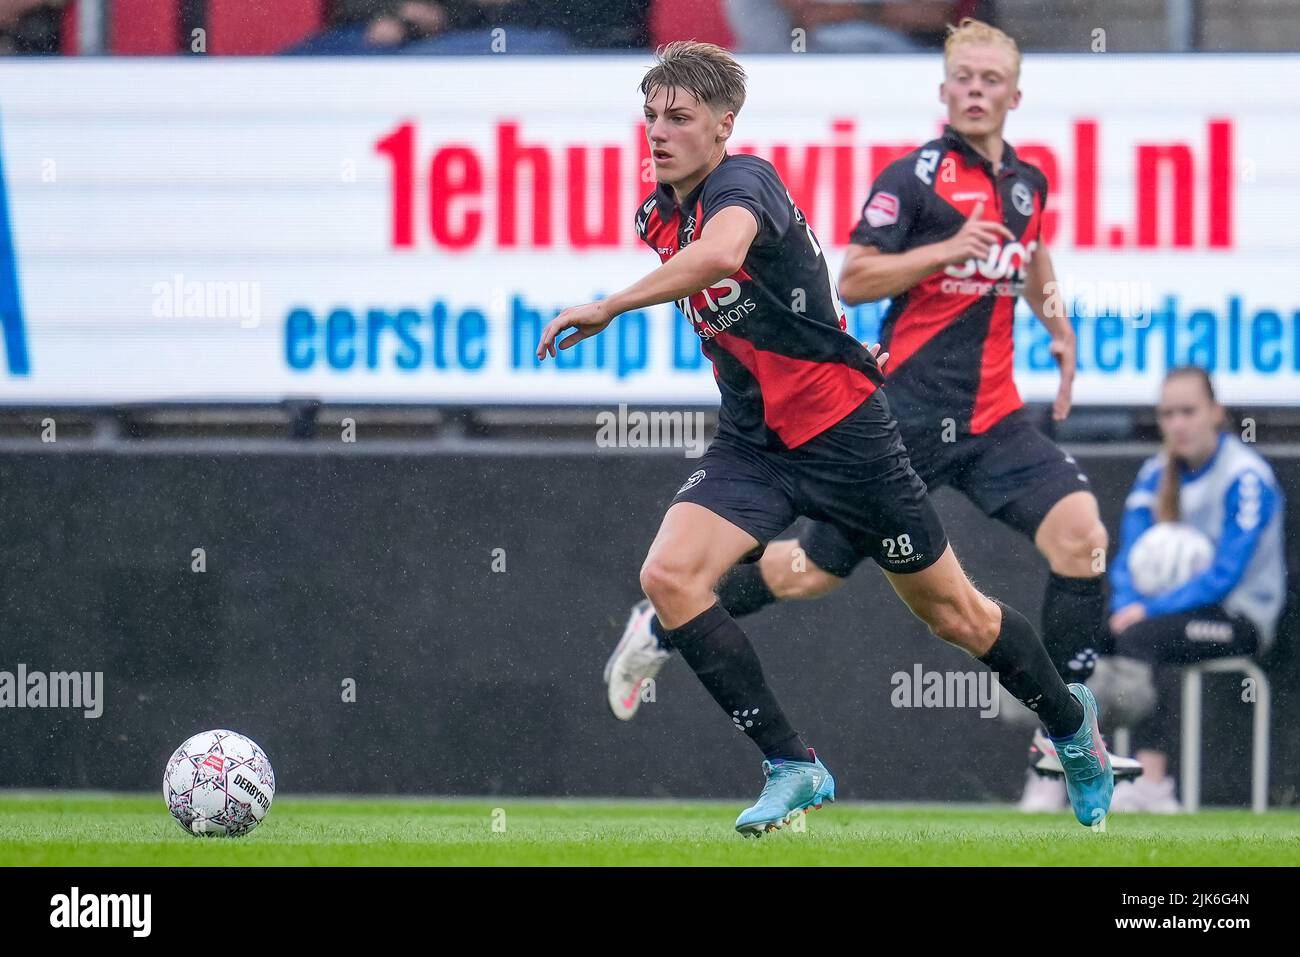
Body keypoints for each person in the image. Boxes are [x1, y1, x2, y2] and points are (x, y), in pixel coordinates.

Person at [544, 40, 1112, 833]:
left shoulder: (746, 181)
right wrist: (833, 336)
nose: (659, 131)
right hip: (754, 441)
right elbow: (785, 296)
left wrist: (608, 305)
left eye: (679, 117)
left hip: (851, 439)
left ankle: (1069, 725)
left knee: (957, 618)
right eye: (650, 117)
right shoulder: (655, 215)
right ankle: (793, 764)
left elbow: (724, 256)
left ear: (723, 126)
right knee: (669, 577)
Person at [1089, 366, 1286, 812]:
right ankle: (1062, 766)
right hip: (1166, 614)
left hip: (1239, 618)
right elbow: (1128, 559)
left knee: (1143, 637)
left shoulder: (1246, 477)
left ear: (1216, 413)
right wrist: (1128, 605)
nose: (1177, 424)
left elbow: (1226, 574)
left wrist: (1149, 610)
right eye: (1167, 414)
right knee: (1092, 632)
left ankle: (1151, 783)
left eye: (1188, 411)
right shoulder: (1154, 474)